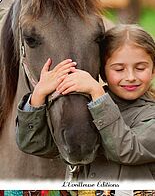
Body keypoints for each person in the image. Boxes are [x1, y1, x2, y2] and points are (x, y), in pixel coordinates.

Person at [16, 24, 155, 181]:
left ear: (153, 70)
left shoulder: (150, 116)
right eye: (119, 69)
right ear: (102, 71)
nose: (130, 76)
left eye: (140, 68)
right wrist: (38, 95)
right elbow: (35, 145)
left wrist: (97, 93)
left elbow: (127, 150)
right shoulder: (86, 107)